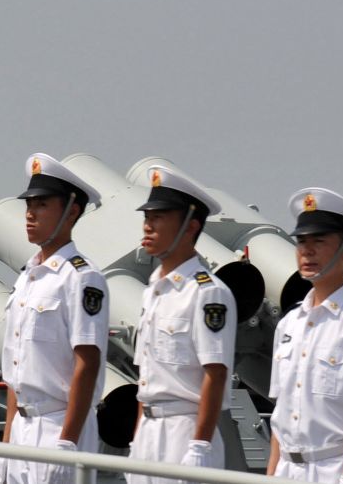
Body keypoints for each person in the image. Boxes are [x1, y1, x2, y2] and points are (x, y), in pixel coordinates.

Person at [266, 188, 343, 483]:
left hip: (334, 470)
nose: (306, 250)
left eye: (319, 241)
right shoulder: (289, 324)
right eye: (301, 241)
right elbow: (280, 412)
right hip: (287, 470)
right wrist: (271, 475)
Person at [0, 154, 108, 484]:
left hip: (59, 426)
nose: (29, 213)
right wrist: (6, 445)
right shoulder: (28, 276)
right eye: (29, 204)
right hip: (22, 427)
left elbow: (86, 364)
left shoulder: (83, 279)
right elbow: (16, 370)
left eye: (42, 204)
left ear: (71, 211)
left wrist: (67, 443)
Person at [127, 166, 235, 484]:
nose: (148, 225)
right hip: (148, 432)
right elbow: (146, 380)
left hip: (185, 432)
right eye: (147, 216)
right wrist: (137, 440)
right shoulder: (153, 290)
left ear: (190, 226)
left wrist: (200, 445)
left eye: (159, 217)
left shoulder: (207, 292)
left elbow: (215, 375)